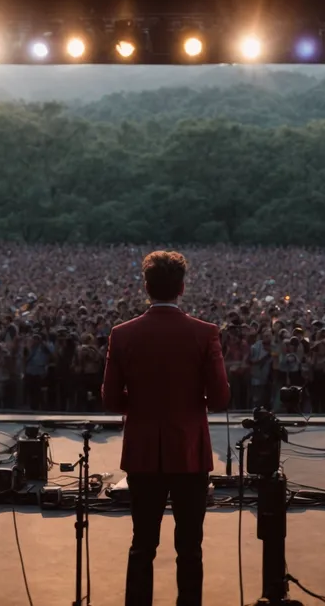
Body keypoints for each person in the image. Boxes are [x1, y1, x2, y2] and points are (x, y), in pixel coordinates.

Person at [101, 250, 230, 606]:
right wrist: (189, 405)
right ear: (182, 288)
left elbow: (111, 399)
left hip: (143, 452)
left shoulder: (122, 334)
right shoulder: (205, 334)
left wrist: (143, 406)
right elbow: (220, 397)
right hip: (189, 451)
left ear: (146, 287)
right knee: (190, 546)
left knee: (142, 544)